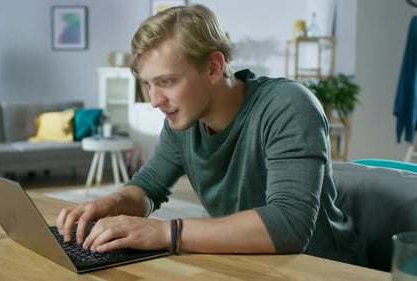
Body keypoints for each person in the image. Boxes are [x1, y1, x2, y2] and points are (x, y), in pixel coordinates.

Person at [57, 4, 366, 265]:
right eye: (148, 83)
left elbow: (289, 225)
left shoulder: (287, 105)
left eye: (166, 81)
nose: (154, 100)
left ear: (214, 68)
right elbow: (148, 187)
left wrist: (167, 233)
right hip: (250, 264)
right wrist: (111, 204)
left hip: (324, 268)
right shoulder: (183, 121)